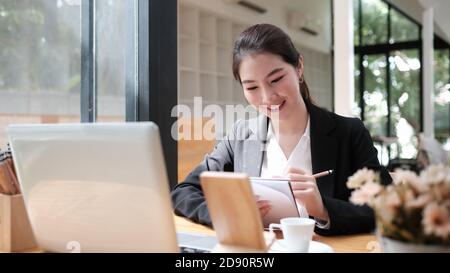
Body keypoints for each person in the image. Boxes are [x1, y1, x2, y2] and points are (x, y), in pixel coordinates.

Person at [171, 23, 391, 236]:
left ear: (299, 68)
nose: (267, 97)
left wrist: (323, 208)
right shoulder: (240, 136)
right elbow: (183, 192)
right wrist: (227, 214)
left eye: (276, 79)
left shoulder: (349, 133)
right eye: (252, 87)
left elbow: (386, 205)